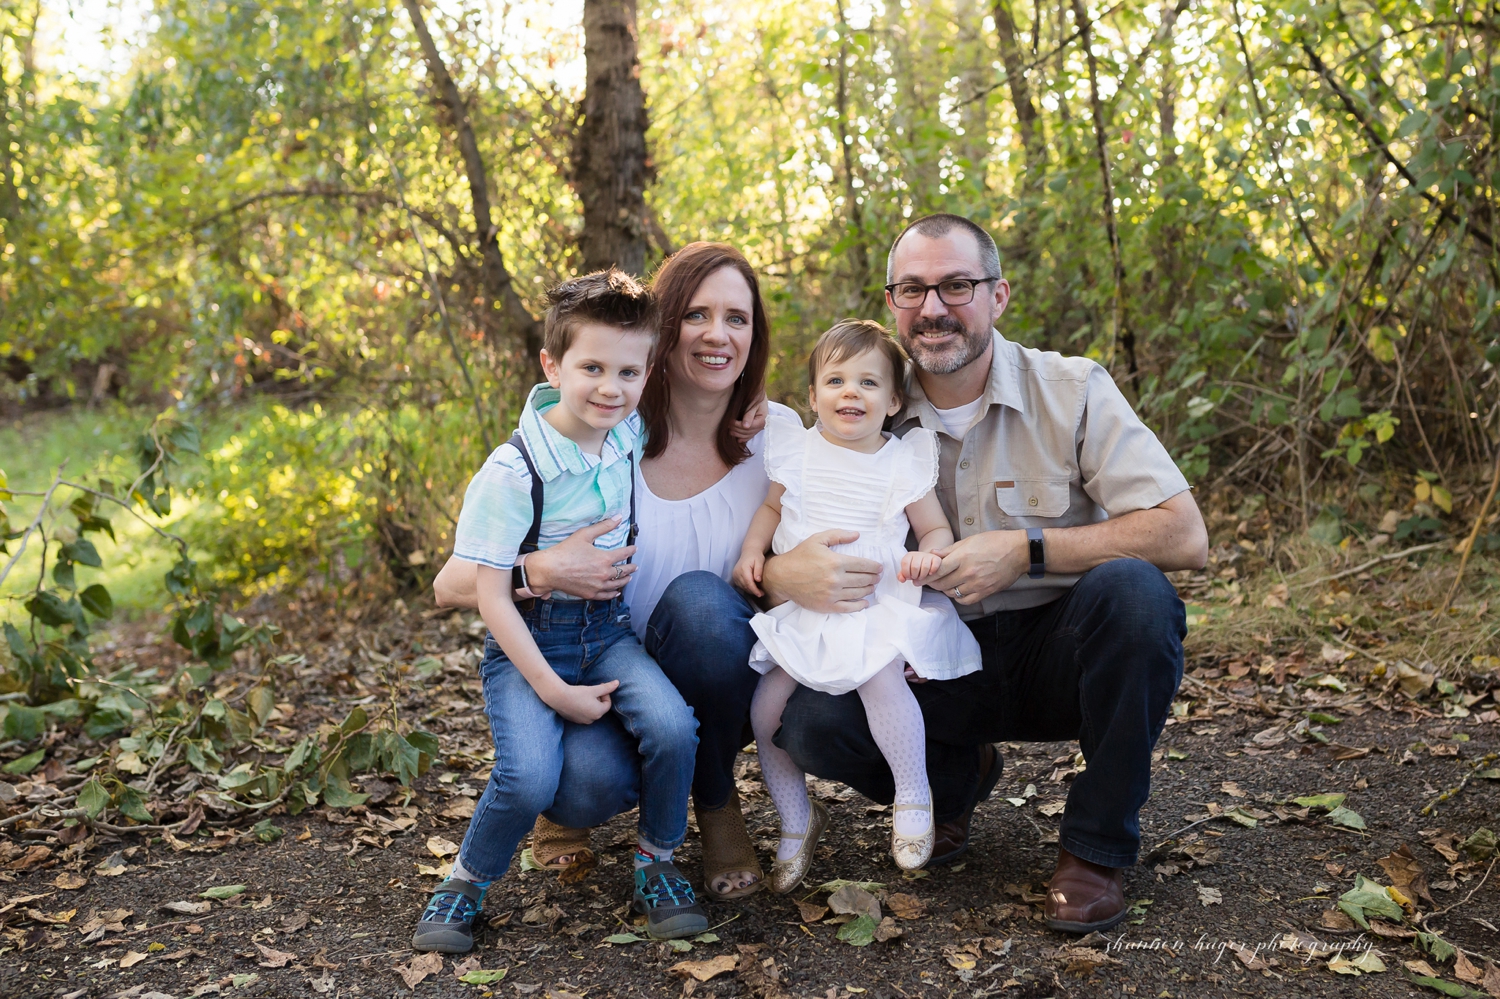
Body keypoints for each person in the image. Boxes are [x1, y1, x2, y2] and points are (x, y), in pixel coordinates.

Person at [761, 213, 1209, 934]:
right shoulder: (865, 405)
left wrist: (1027, 550)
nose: (933, 308)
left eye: (956, 286)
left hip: (1055, 650)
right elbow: (789, 509)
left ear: (998, 296)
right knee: (803, 720)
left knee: (1138, 596)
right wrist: (783, 575)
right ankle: (949, 785)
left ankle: (1096, 847)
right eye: (913, 290)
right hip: (931, 662)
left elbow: (1185, 533)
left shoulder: (1071, 389)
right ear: (893, 304)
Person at [432, 242, 789, 901]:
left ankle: (714, 805)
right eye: (697, 315)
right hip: (605, 656)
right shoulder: (610, 432)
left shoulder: (777, 438)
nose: (717, 335)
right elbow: (450, 584)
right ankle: (556, 817)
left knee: (702, 608)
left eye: (737, 319)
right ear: (664, 332)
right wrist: (540, 567)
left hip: (724, 674)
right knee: (578, 783)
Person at [412, 269, 707, 953]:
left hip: (607, 635)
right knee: (529, 774)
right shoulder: (513, 471)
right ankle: (464, 881)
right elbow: (485, 591)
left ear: (648, 371)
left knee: (673, 727)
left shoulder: (626, 432)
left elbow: (686, 408)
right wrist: (554, 690)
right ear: (552, 364)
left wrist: (757, 414)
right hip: (531, 644)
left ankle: (657, 862)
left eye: (628, 371)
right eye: (592, 367)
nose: (610, 386)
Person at [733, 320, 982, 890]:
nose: (851, 393)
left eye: (869, 383)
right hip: (804, 608)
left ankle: (913, 794)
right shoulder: (795, 450)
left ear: (893, 399)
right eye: (836, 379)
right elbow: (772, 512)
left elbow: (935, 529)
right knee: (765, 708)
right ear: (814, 395)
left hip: (873, 602)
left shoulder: (901, 461)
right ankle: (796, 821)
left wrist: (930, 556)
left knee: (881, 682)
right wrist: (753, 550)